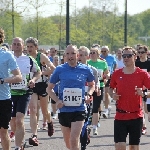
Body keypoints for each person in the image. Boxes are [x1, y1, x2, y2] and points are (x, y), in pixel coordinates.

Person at [47, 45, 95, 150]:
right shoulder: (59, 69)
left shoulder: (86, 69)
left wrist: (89, 94)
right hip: (64, 109)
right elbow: (49, 89)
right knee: (68, 143)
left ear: (77, 55)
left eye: (73, 53)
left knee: (74, 139)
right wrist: (57, 100)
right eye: (67, 54)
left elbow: (92, 85)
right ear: (64, 56)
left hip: (79, 109)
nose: (70, 56)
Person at [109, 47, 150, 150]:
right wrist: (112, 94)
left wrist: (144, 93)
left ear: (135, 57)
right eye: (124, 56)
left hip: (136, 116)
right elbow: (110, 88)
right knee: (120, 146)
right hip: (120, 115)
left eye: (129, 56)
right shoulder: (117, 73)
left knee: (134, 147)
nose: (126, 58)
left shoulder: (142, 74)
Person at [9, 37, 41, 150]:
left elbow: (38, 72)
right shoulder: (8, 58)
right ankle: (21, 140)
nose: (17, 46)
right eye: (15, 44)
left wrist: (33, 80)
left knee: (19, 119)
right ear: (12, 46)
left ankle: (18, 146)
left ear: (23, 46)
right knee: (13, 122)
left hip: (24, 92)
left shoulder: (29, 59)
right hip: (9, 93)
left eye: (19, 44)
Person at [25, 37, 56, 146]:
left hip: (42, 85)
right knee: (33, 109)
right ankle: (34, 136)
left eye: (31, 47)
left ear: (36, 47)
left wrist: (41, 73)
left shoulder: (41, 56)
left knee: (44, 111)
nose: (29, 49)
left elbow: (53, 69)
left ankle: (49, 122)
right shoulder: (26, 57)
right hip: (31, 86)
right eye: (27, 46)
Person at [0, 28, 22, 150]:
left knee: (3, 132)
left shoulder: (6, 55)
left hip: (3, 99)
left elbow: (18, 77)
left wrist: (3, 80)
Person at [88, 47, 109, 135]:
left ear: (98, 54)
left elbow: (107, 72)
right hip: (88, 87)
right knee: (89, 106)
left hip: (99, 86)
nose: (92, 54)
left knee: (96, 107)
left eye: (94, 53)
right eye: (91, 53)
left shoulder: (103, 63)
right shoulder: (87, 63)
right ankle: (88, 122)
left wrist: (107, 76)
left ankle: (95, 127)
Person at [135, 45, 150, 135]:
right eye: (139, 52)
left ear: (146, 53)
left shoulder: (149, 62)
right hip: (140, 88)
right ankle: (143, 126)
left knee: (148, 110)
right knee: (142, 107)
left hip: (148, 88)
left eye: (142, 52)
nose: (140, 54)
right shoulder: (136, 63)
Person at [101, 46, 117, 118]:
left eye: (105, 51)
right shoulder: (100, 57)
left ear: (108, 51)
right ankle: (107, 106)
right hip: (102, 76)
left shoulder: (111, 57)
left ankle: (106, 109)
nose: (104, 53)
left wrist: (113, 71)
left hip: (109, 76)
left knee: (106, 92)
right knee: (104, 94)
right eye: (102, 51)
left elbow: (115, 64)